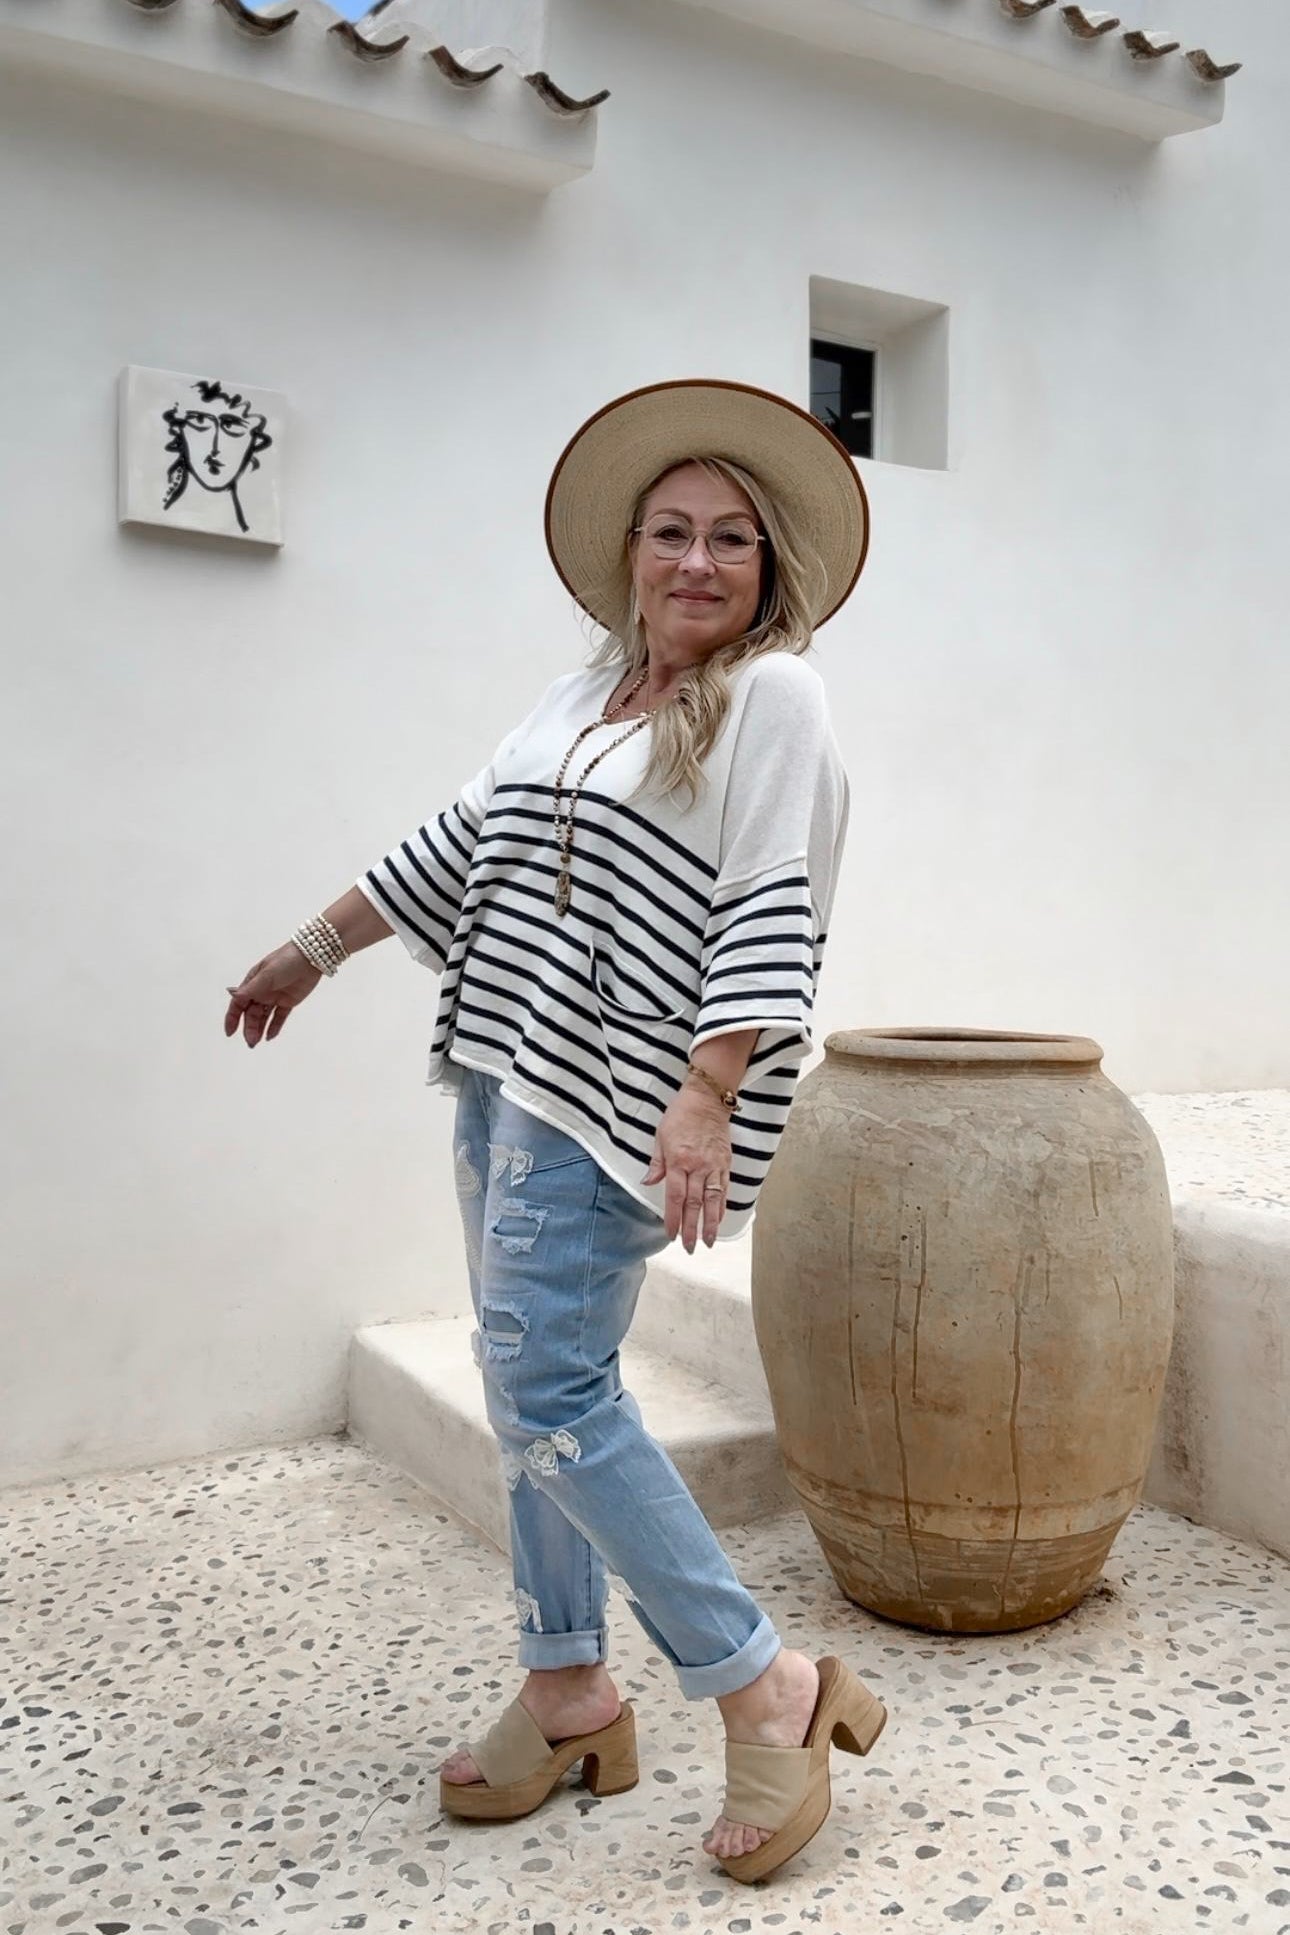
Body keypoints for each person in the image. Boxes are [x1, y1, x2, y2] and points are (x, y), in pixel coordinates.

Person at [224, 378, 885, 1883]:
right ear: (628, 555)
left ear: (767, 568)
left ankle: (763, 1684)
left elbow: (768, 900)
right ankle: (569, 1684)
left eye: (730, 538)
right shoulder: (578, 697)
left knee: (547, 1390)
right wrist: (310, 952)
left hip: (620, 1110)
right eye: (670, 532)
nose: (697, 561)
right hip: (503, 1076)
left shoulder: (776, 699)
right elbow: (458, 841)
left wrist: (708, 1093)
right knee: (528, 1389)